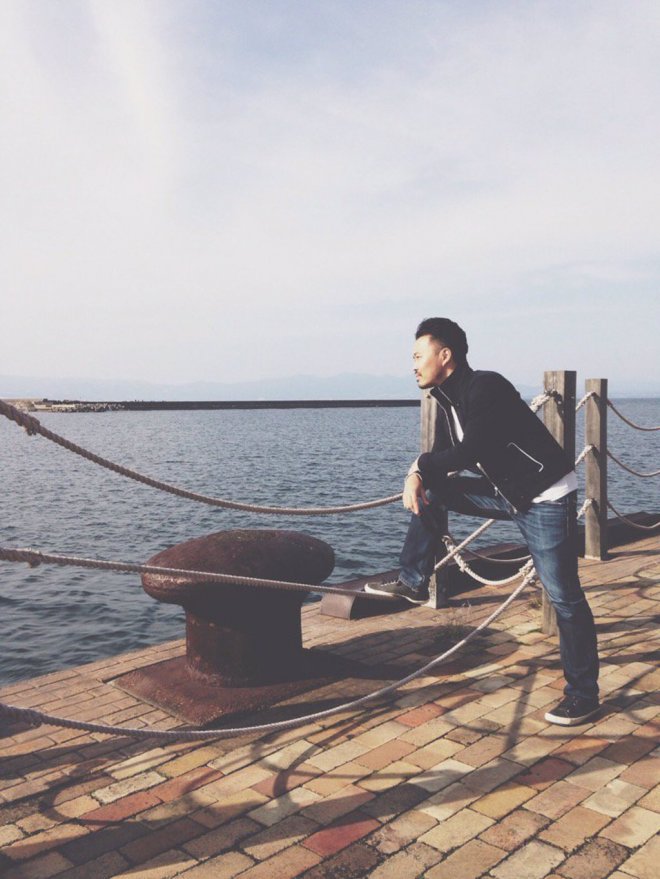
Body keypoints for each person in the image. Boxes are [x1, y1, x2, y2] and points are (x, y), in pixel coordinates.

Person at [365, 317, 600, 726]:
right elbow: (442, 457)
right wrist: (418, 473)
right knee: (433, 490)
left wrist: (420, 465)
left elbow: (470, 451)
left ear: (445, 355)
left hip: (544, 496)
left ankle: (584, 695)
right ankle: (414, 581)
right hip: (506, 492)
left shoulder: (485, 387)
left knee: (564, 597)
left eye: (418, 356)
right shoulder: (446, 399)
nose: (413, 365)